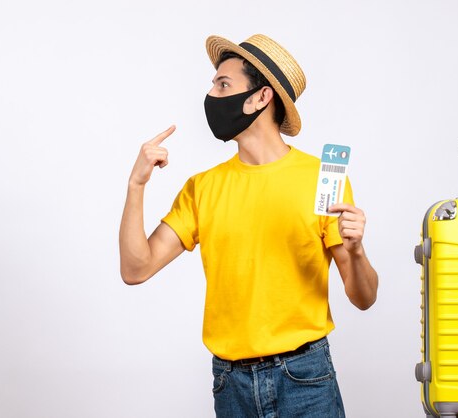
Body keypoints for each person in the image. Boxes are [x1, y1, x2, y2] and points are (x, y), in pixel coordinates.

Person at [119, 34, 378, 418]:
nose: (211, 95)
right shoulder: (202, 188)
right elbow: (135, 269)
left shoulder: (323, 178)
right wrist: (136, 185)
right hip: (230, 384)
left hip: (305, 377)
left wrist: (356, 250)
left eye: (223, 84)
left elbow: (363, 297)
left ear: (261, 97)